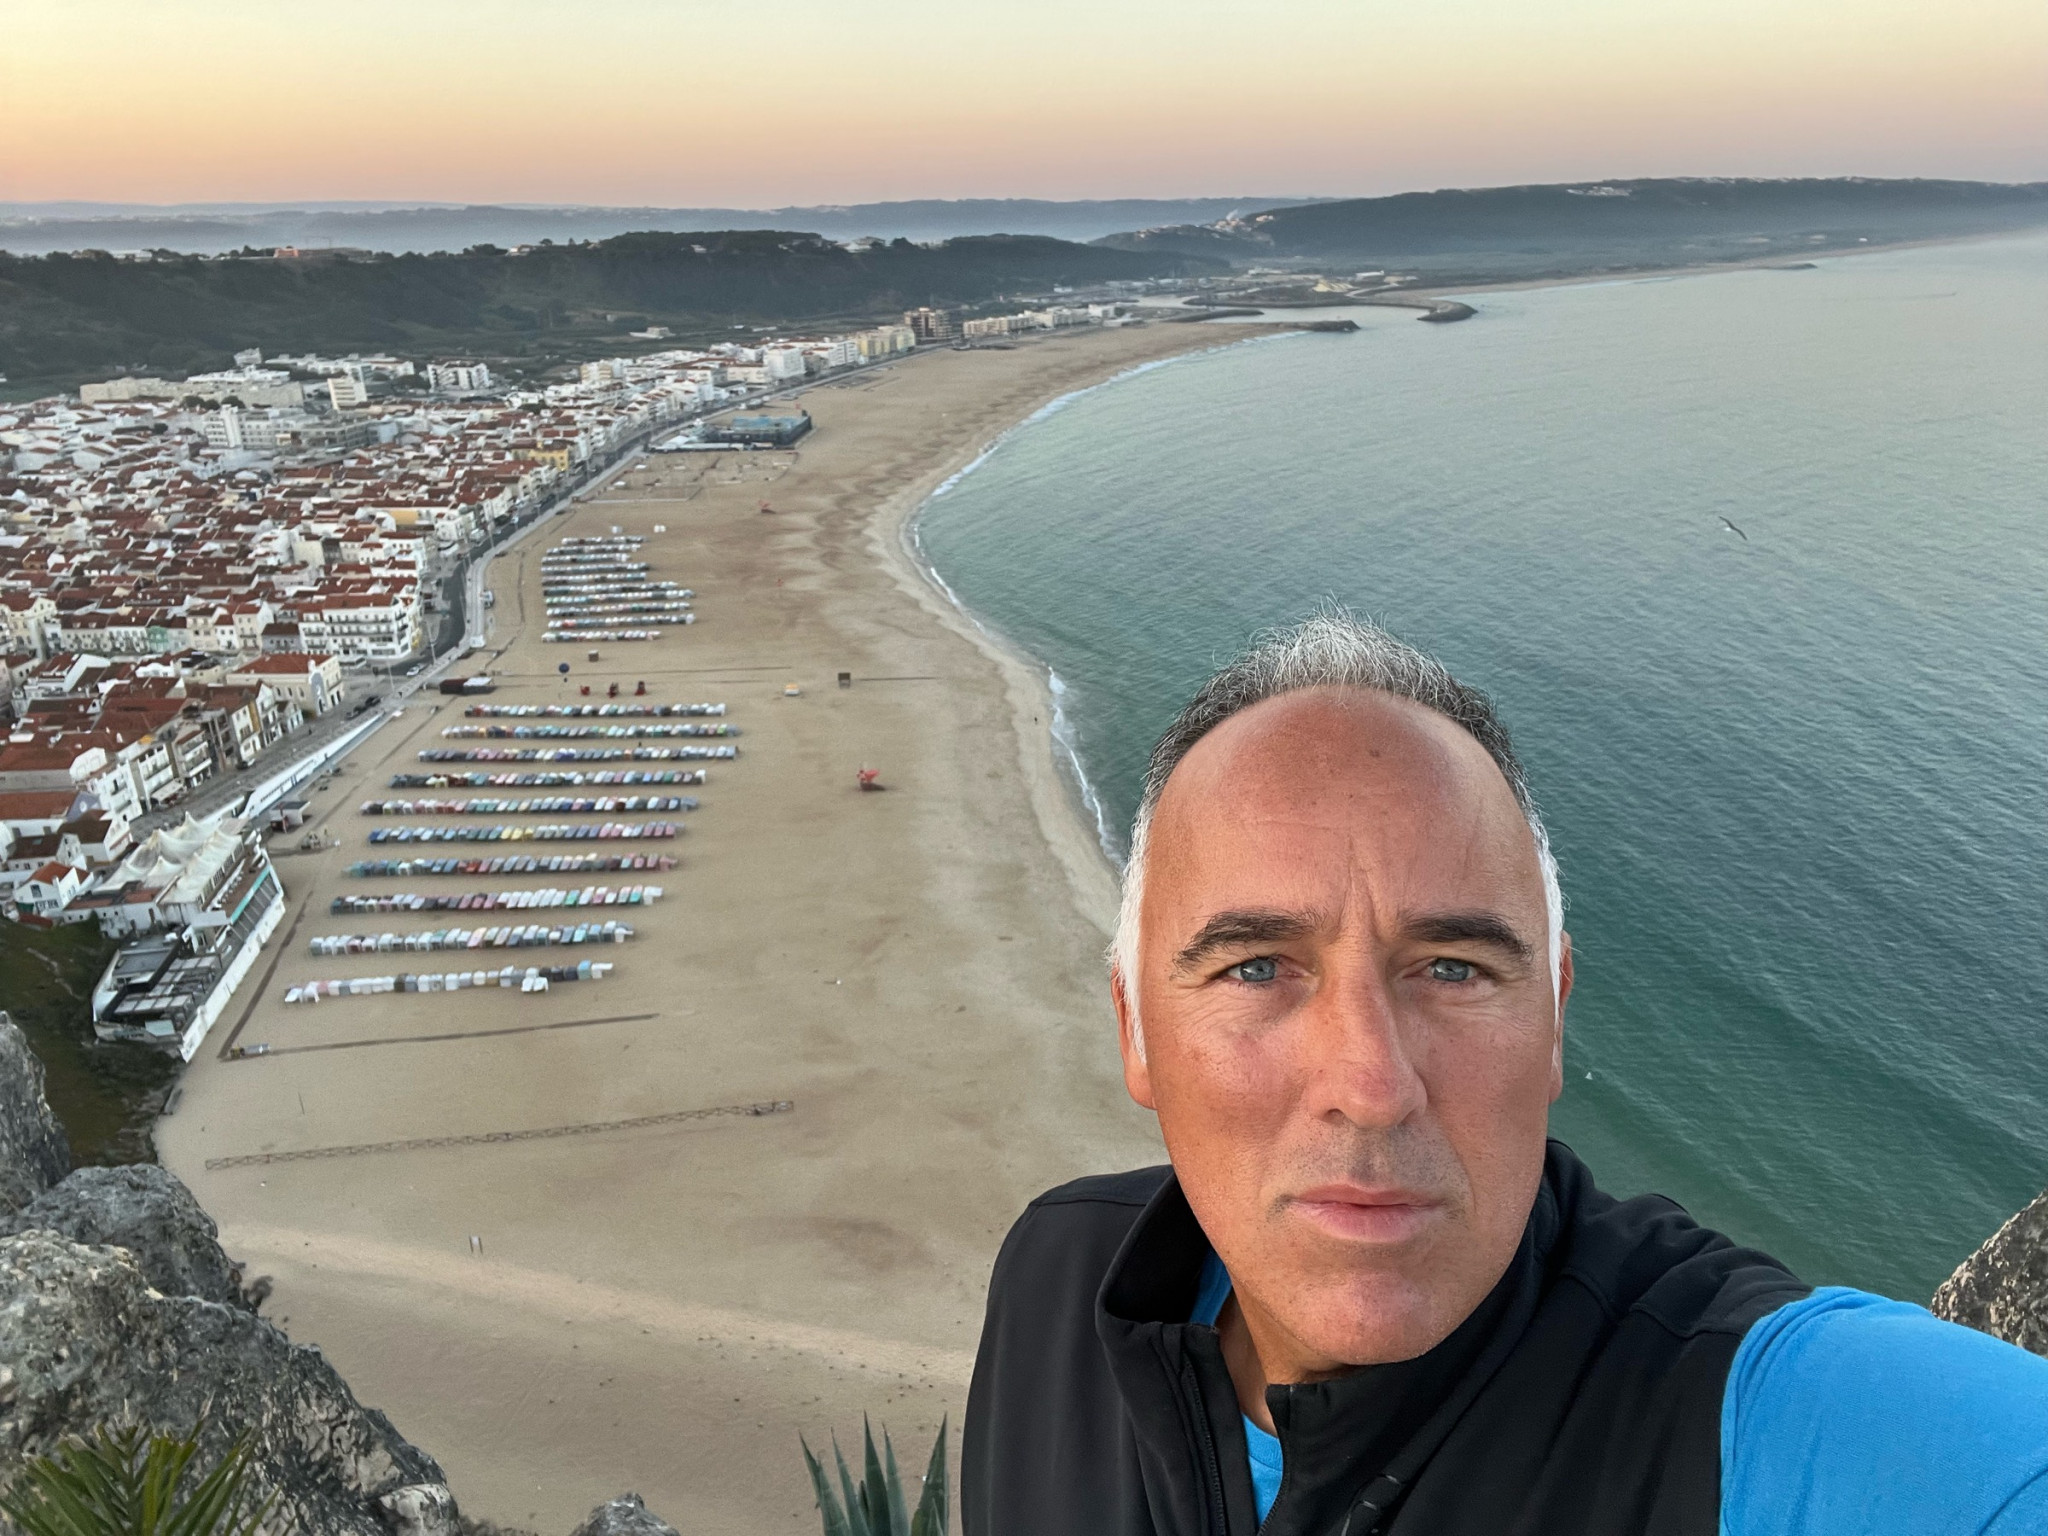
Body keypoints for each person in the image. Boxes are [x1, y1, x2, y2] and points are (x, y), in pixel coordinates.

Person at [962, 613, 2048, 1535]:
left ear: (1554, 1017)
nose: (1371, 1085)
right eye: (1255, 967)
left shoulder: (1760, 1420)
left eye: (1452, 968)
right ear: (1135, 1029)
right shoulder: (1056, 1284)